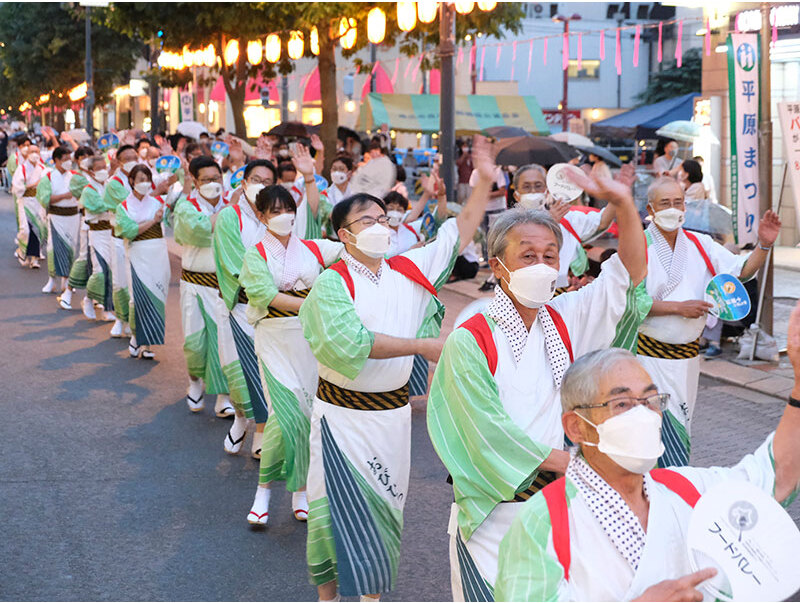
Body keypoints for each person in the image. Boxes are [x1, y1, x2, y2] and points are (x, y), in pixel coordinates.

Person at [427, 166, 648, 602]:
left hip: (558, 508)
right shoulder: (472, 337)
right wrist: (574, 465)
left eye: (550, 256)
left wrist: (622, 203)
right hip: (495, 513)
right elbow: (485, 433)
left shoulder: (563, 318)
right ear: (497, 265)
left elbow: (628, 276)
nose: (542, 266)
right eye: (528, 256)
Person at [297, 136, 498, 602]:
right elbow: (351, 343)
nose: (380, 226)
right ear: (344, 235)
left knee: (384, 511)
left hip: (391, 418)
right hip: (341, 419)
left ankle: (371, 599)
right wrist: (423, 345)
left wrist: (484, 181)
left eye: (383, 218)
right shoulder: (332, 283)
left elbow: (458, 232)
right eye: (366, 220)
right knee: (332, 514)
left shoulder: (407, 269)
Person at [495, 341, 800, 602]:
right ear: (576, 427)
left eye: (651, 400)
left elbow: (775, 477)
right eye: (622, 403)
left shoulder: (687, 489)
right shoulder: (543, 523)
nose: (644, 414)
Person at [637, 177, 781, 467]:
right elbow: (630, 301)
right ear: (651, 208)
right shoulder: (637, 246)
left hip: (688, 358)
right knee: (650, 430)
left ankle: (674, 490)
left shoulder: (700, 243)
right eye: (665, 203)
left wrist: (763, 246)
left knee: (681, 426)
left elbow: (739, 272)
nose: (673, 208)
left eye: (678, 202)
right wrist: (679, 307)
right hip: (647, 358)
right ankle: (651, 492)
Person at [239, 181, 344, 527]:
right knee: (285, 416)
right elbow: (266, 296)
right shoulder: (256, 254)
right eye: (275, 211)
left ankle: (300, 490)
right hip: (273, 339)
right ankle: (263, 492)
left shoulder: (313, 249)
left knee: (306, 415)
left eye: (289, 210)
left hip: (307, 342)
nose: (284, 216)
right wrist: (313, 303)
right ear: (261, 216)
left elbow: (348, 252)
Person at [213, 159, 273, 457]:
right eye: (256, 179)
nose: (261, 185)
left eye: (268, 180)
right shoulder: (229, 217)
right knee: (237, 371)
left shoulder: (277, 218)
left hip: (271, 311)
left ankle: (261, 430)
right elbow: (235, 265)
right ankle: (240, 418)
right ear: (244, 182)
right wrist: (266, 288)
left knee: (264, 371)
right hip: (240, 306)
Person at [172, 156, 234, 418]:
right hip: (194, 285)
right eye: (206, 180)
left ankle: (223, 396)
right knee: (195, 342)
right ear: (195, 181)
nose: (212, 184)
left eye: (216, 179)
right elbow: (194, 232)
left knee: (224, 344)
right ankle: (195, 381)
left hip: (222, 287)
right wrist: (221, 217)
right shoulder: (187, 206)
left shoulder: (231, 205)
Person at [512, 164, 615, 291]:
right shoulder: (508, 225)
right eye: (526, 187)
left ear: (546, 191)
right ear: (516, 194)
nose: (533, 191)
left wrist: (617, 194)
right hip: (529, 293)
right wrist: (549, 222)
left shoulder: (567, 219)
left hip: (568, 295)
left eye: (538, 186)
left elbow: (602, 222)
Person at [114, 164, 170, 360]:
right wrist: (153, 222)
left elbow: (170, 219)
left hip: (158, 253)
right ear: (131, 181)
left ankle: (147, 343)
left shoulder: (157, 203)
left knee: (157, 295)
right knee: (138, 296)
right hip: (138, 254)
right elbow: (128, 231)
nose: (144, 184)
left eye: (147, 179)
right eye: (140, 180)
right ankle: (136, 337)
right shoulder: (123, 207)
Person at [103, 144, 139, 338]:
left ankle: (134, 323)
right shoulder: (114, 183)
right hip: (119, 237)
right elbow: (132, 204)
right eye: (127, 158)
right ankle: (120, 318)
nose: (132, 160)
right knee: (120, 280)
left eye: (135, 156)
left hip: (141, 238)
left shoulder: (144, 178)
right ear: (118, 162)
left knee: (137, 281)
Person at [36, 146, 80, 299]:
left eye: (70, 159)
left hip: (73, 216)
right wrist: (64, 196)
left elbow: (83, 193)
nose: (68, 162)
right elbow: (44, 198)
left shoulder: (75, 176)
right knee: (53, 247)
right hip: (56, 216)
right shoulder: (48, 177)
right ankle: (52, 280)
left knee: (71, 247)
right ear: (56, 160)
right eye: (65, 159)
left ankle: (67, 281)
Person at [81, 155, 117, 324]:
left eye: (105, 167)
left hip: (111, 231)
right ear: (90, 171)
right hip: (97, 233)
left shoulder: (109, 185)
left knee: (112, 271)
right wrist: (114, 204)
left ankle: (109, 308)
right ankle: (89, 298)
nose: (103, 170)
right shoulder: (88, 190)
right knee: (100, 270)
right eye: (99, 168)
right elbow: (99, 207)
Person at [64, 146, 95, 316]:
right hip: (87, 221)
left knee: (99, 265)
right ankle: (68, 291)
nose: (86, 159)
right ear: (76, 160)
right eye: (82, 156)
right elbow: (84, 195)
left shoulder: (98, 175)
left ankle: (94, 298)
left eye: (89, 156)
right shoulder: (77, 178)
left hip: (105, 226)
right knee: (84, 258)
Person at [13, 144, 46, 269]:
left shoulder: (42, 168)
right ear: (27, 154)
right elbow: (17, 187)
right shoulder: (21, 169)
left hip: (38, 201)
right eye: (32, 151)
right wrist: (33, 185)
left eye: (37, 151)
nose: (34, 154)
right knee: (25, 230)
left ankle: (35, 258)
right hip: (25, 201)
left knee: (39, 229)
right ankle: (22, 251)